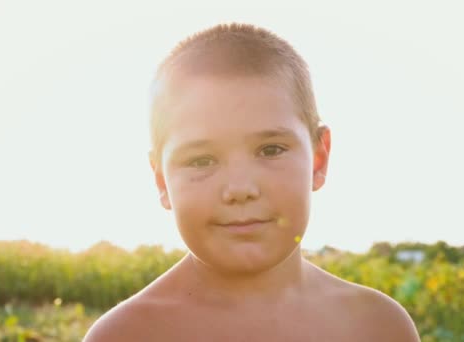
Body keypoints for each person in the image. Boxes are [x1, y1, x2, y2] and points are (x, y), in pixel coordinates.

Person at [84, 22, 420, 341]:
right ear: (161, 180)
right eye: (201, 160)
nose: (240, 189)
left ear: (319, 158)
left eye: (270, 150)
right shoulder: (126, 335)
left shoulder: (378, 327)